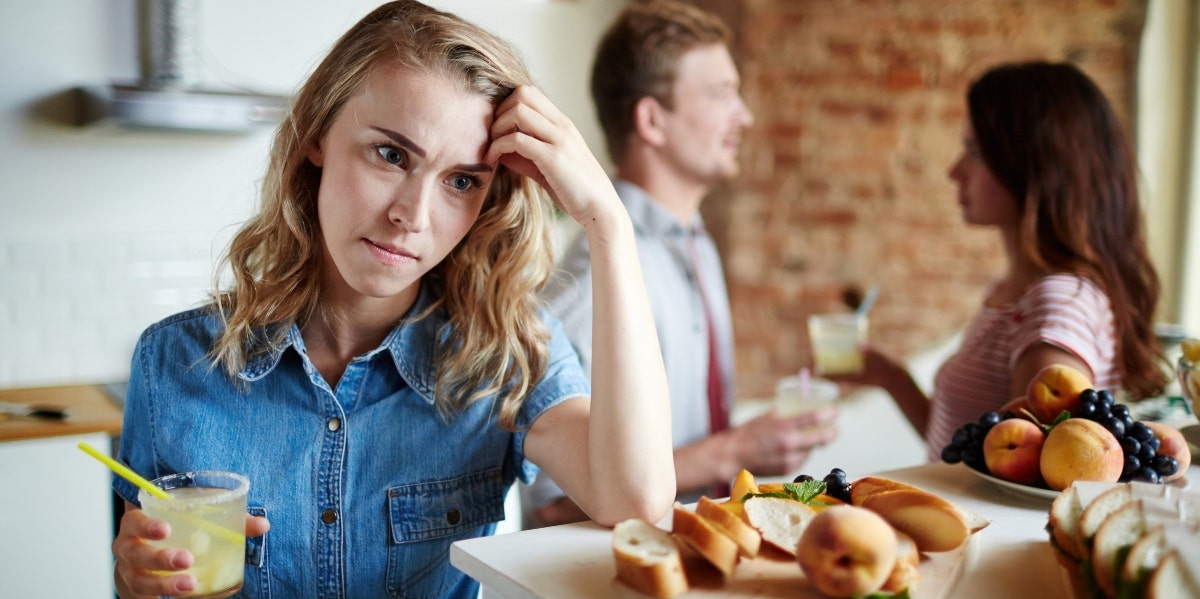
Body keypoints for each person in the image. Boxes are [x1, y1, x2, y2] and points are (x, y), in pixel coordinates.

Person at [109, 2, 675, 597]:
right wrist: (136, 577)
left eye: (461, 181)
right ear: (317, 136)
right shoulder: (172, 363)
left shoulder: (503, 357)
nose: (412, 216)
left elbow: (633, 497)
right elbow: (148, 570)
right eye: (391, 154)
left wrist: (608, 222)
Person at [522, 0, 838, 528]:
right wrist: (731, 451)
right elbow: (554, 510)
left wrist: (744, 449)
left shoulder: (697, 245)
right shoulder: (592, 283)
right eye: (722, 94)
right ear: (651, 120)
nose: (745, 115)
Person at [835, 60, 1167, 461]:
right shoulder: (1020, 292)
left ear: (1034, 165)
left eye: (975, 151)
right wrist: (892, 379)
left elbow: (1037, 486)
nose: (954, 170)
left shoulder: (1056, 304)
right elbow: (968, 449)